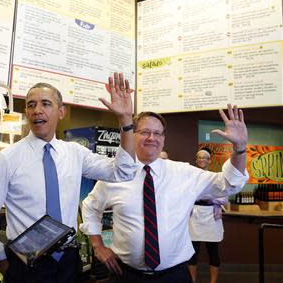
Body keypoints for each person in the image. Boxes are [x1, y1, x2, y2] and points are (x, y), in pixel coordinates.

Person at [0, 73, 137, 283]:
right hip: (25, 263)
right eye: (31, 105)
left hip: (68, 261)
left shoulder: (75, 153)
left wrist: (125, 119)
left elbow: (123, 172)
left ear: (61, 112)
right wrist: (7, 268)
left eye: (45, 104)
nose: (37, 110)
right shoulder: (7, 158)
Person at [81, 105, 249, 282]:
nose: (152, 138)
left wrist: (239, 148)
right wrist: (98, 246)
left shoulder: (184, 174)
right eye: (145, 132)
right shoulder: (115, 174)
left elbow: (229, 183)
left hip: (175, 276)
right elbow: (90, 207)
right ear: (132, 135)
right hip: (127, 275)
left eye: (158, 133)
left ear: (163, 139)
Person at [188, 147, 228, 283]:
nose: (201, 159)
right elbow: (186, 196)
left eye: (204, 157)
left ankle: (213, 281)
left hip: (212, 217)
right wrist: (208, 195)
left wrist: (206, 197)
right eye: (199, 157)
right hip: (195, 217)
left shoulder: (215, 178)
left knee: (213, 252)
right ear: (196, 160)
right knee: (193, 252)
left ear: (209, 160)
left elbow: (224, 198)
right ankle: (192, 280)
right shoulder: (190, 177)